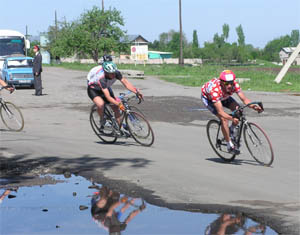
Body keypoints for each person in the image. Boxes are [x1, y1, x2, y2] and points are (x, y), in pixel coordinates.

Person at [201, 70, 262, 154]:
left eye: (231, 82)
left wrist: (254, 107)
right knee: (223, 119)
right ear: (221, 82)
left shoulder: (234, 85)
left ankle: (231, 130)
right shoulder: (215, 91)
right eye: (226, 83)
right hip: (210, 99)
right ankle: (229, 145)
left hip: (224, 96)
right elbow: (221, 112)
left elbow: (244, 99)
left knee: (239, 111)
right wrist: (232, 118)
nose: (229, 85)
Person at [87, 55, 143, 134]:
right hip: (94, 89)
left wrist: (136, 91)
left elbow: (126, 83)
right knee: (101, 104)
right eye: (111, 74)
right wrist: (119, 103)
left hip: (105, 87)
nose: (113, 75)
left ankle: (119, 127)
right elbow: (108, 97)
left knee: (116, 107)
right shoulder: (102, 79)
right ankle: (102, 120)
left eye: (114, 73)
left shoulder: (116, 72)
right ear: (106, 72)